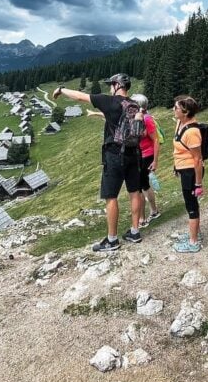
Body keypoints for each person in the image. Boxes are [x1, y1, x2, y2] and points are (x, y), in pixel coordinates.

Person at [52, 74, 144, 252]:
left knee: (111, 196)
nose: (110, 87)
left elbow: (80, 96)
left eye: (111, 84)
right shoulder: (134, 104)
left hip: (115, 154)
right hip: (134, 154)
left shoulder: (108, 101)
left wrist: (61, 90)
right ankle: (134, 232)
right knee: (134, 192)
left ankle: (112, 239)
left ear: (117, 85)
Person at [172, 95, 204, 253]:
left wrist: (198, 183)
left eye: (176, 107)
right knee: (189, 203)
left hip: (191, 172)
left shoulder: (192, 132)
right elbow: (179, 148)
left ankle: (193, 243)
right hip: (184, 170)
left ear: (185, 112)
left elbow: (197, 159)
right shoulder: (180, 123)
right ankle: (194, 233)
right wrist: (176, 166)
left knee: (191, 205)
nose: (174, 109)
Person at [130, 93, 162, 227]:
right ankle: (154, 211)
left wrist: (155, 161)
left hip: (146, 155)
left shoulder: (147, 119)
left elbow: (156, 140)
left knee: (139, 186)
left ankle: (142, 219)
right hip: (138, 155)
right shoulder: (135, 118)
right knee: (144, 185)